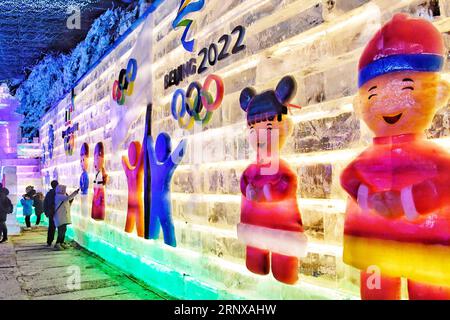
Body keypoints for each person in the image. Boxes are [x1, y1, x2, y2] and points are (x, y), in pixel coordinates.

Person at [340, 14, 450, 299]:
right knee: (377, 289)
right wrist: (369, 197)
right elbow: (348, 177)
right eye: (374, 94)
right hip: (374, 243)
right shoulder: (368, 158)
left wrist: (405, 202)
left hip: (427, 246)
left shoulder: (433, 158)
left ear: (438, 93)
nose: (388, 103)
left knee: (429, 290)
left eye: (405, 87)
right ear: (360, 103)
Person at [54, 185, 79, 250]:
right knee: (61, 230)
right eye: (64, 189)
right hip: (60, 217)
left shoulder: (60, 196)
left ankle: (61, 242)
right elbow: (68, 198)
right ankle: (58, 243)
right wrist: (75, 192)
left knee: (63, 230)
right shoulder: (59, 196)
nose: (65, 190)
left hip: (62, 217)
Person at [44, 180, 58, 246]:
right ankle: (59, 242)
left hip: (51, 212)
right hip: (59, 212)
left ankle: (49, 241)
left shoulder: (49, 193)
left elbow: (45, 203)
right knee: (61, 228)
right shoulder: (60, 193)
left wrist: (46, 212)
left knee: (51, 227)